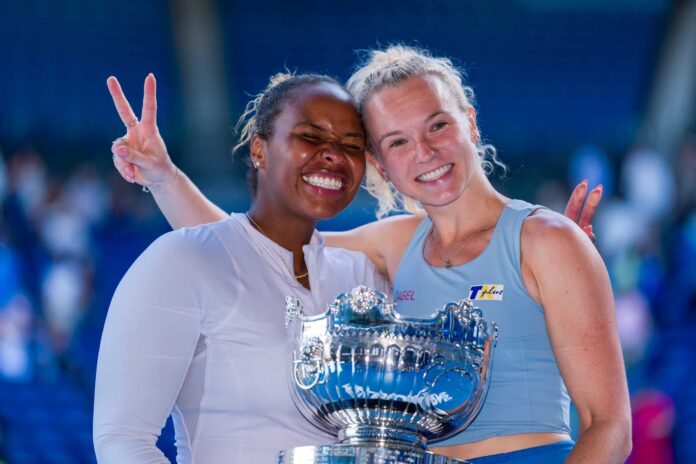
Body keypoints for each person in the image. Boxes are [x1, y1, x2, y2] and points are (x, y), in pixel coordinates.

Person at [105, 46, 623, 463]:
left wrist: (565, 253)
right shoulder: (395, 245)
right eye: (398, 142)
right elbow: (247, 249)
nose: (424, 153)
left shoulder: (547, 240)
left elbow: (610, 428)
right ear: (380, 163)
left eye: (437, 126)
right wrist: (163, 177)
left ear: (469, 121)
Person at [93, 73, 391, 462]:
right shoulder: (182, 258)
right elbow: (122, 439)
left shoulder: (365, 279)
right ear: (259, 150)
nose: (334, 154)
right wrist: (166, 179)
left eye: (351, 145)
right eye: (310, 136)